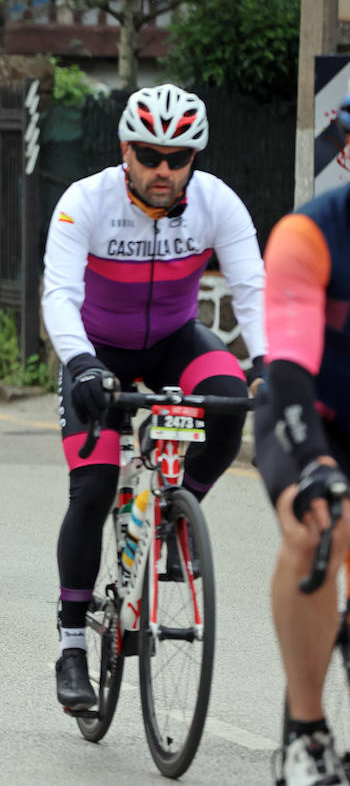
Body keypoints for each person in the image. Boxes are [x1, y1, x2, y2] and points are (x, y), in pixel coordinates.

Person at [42, 84, 265, 711]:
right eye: (148, 154)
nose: (163, 169)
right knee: (92, 486)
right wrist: (81, 362)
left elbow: (252, 287)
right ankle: (71, 646)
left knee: (227, 401)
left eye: (179, 157)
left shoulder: (216, 202)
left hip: (174, 342)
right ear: (124, 150)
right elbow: (58, 292)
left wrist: (272, 363)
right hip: (98, 353)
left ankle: (182, 507)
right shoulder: (85, 201)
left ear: (194, 159)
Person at [257, 184, 350, 786]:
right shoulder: (310, 232)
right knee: (319, 527)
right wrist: (316, 462)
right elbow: (287, 363)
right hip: (309, 418)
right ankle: (306, 734)